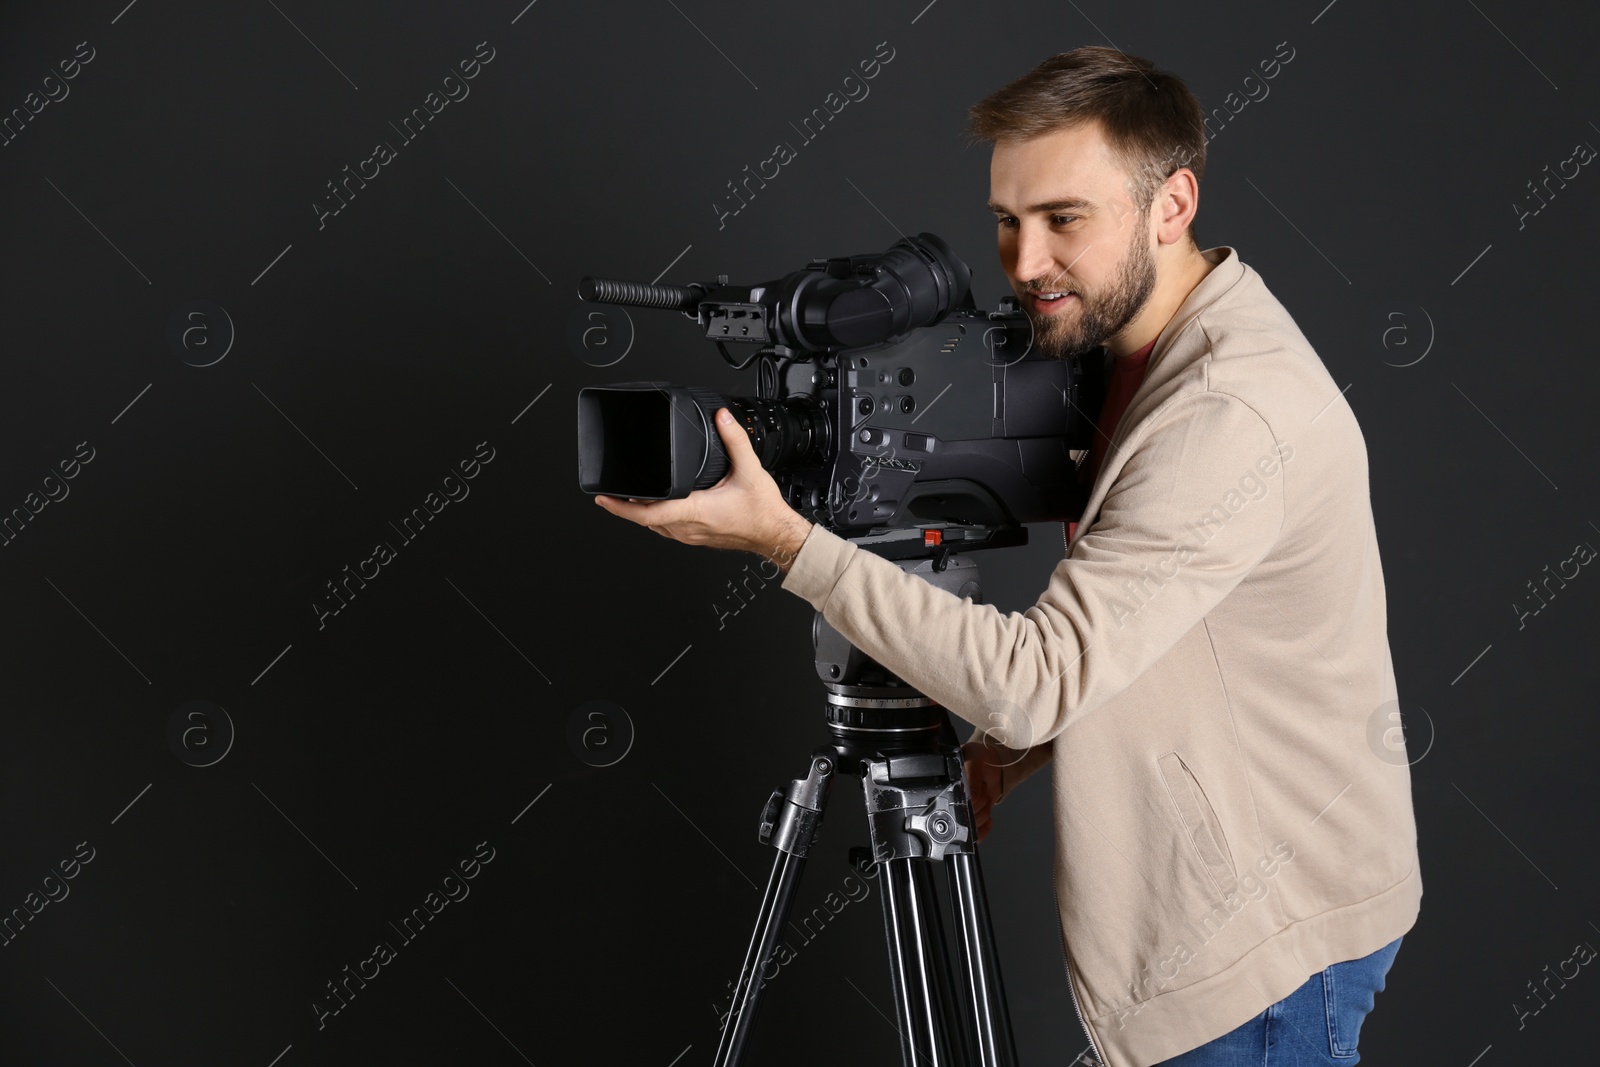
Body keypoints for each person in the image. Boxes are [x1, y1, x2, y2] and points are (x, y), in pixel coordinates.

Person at [594, 46, 1420, 1067]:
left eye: (1064, 218)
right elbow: (1140, 628)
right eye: (1006, 220)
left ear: (1171, 204)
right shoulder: (1134, 357)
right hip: (1238, 904)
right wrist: (993, 757)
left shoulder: (1226, 412)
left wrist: (786, 541)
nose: (1025, 263)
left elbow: (1038, 678)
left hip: (1260, 947)